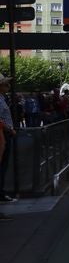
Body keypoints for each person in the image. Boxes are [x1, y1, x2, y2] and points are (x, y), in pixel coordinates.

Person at [0, 74, 16, 203]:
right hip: (3, 135)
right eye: (6, 84)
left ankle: (2, 192)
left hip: (6, 134)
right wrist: (9, 129)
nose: (8, 86)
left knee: (4, 165)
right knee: (2, 165)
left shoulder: (2, 98)